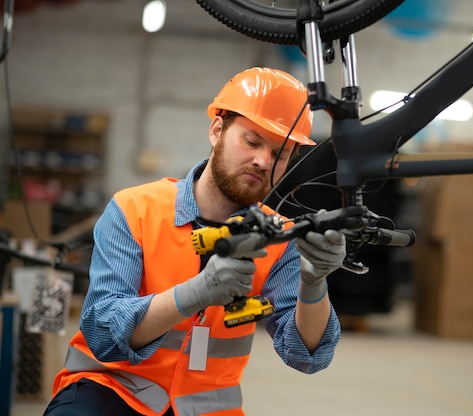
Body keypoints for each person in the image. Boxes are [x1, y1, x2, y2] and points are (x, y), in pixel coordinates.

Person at [43, 67, 346, 416]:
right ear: (217, 130)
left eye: (280, 153)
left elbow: (308, 355)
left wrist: (315, 281)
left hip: (206, 407)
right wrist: (195, 293)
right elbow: (102, 332)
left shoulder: (282, 236)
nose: (264, 161)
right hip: (112, 391)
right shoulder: (135, 209)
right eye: (252, 141)